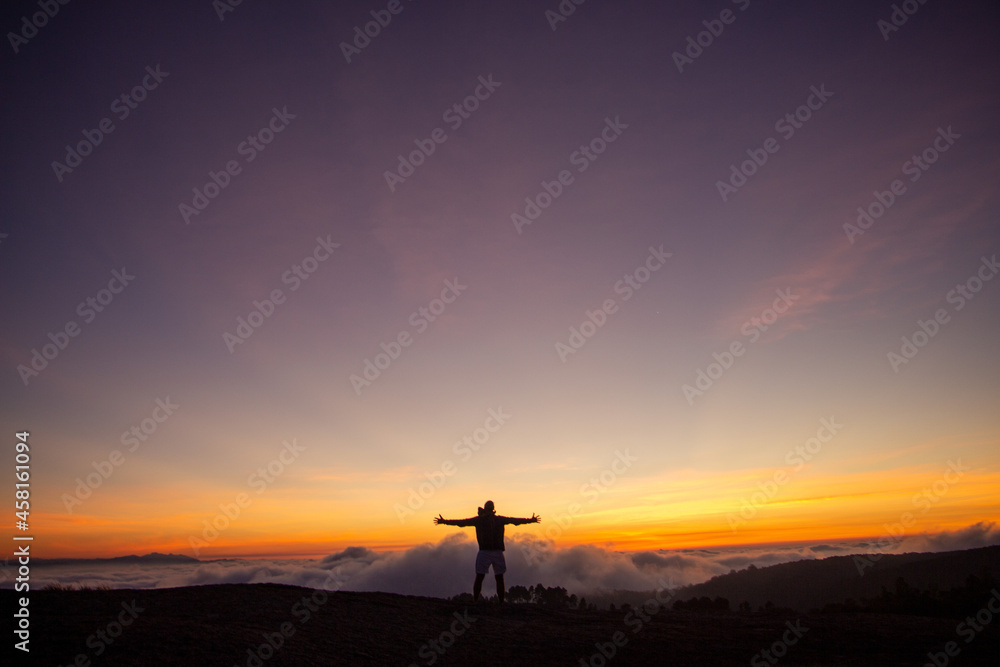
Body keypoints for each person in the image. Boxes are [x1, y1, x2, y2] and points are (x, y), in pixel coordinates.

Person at [434, 500, 540, 603]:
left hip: (485, 552)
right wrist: (530, 520)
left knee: (481, 576)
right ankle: (500, 602)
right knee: (498, 577)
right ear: (493, 509)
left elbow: (462, 522)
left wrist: (445, 522)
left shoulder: (480, 520)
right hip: (496, 552)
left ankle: (477, 600)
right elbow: (515, 521)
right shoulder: (498, 520)